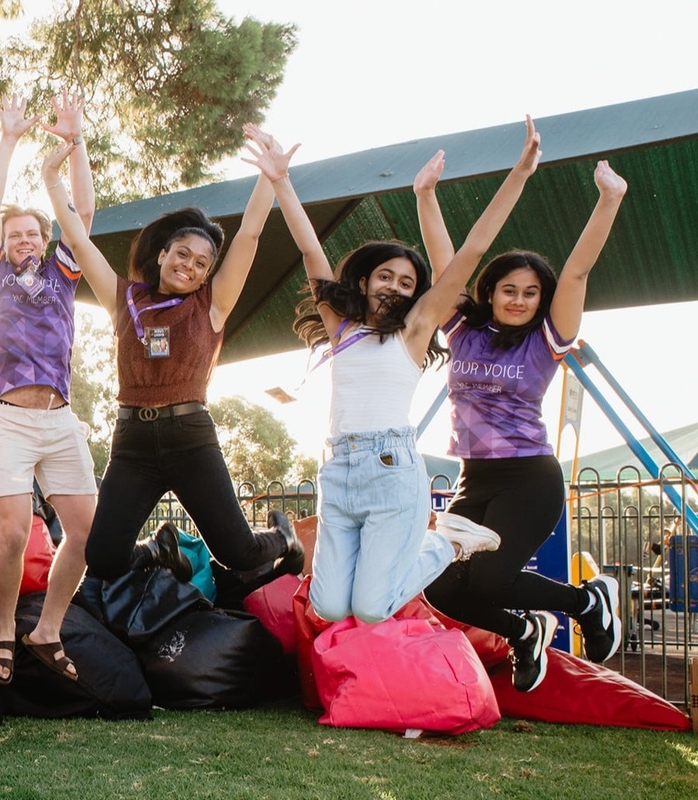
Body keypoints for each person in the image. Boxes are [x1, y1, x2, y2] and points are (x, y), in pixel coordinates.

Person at [248, 117, 544, 624]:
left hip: (392, 469)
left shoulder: (414, 332)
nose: (395, 286)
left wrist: (519, 174)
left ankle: (448, 541)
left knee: (370, 609)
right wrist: (280, 181)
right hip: (338, 474)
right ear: (363, 282)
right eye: (384, 275)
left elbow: (472, 249)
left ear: (417, 295)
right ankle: (419, 552)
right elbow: (309, 249)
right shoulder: (341, 327)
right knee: (327, 606)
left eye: (407, 282)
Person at [40, 125, 303, 598]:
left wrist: (270, 180)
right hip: (133, 443)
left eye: (202, 262)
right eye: (183, 253)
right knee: (101, 557)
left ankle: (283, 539)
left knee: (237, 555)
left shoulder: (212, 303)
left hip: (190, 440)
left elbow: (251, 233)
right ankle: (159, 550)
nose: (192, 266)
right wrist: (52, 180)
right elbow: (78, 241)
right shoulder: (126, 299)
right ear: (163, 254)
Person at [418, 155, 628, 691]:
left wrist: (609, 200)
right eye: (509, 289)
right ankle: (525, 630)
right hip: (474, 478)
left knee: (490, 578)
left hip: (528, 476)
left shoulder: (546, 340)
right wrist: (425, 197)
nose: (518, 299)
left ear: (541, 300)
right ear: (491, 291)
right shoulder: (462, 327)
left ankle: (587, 601)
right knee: (438, 583)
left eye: (530, 292)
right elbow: (451, 263)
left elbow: (577, 270)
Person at [0, 92, 97, 685]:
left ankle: (46, 630)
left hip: (60, 418)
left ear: (44, 240)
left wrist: (76, 143)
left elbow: (86, 214)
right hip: (7, 418)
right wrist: (8, 140)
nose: (21, 239)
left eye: (30, 233)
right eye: (13, 233)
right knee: (17, 532)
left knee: (89, 533)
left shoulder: (62, 275)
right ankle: (3, 632)